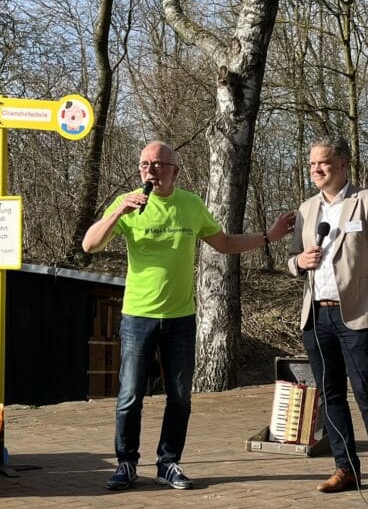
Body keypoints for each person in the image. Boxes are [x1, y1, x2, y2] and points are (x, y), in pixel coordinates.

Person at [82, 141, 295, 490]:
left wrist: (268, 237)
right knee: (130, 395)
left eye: (157, 164)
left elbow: (224, 243)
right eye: (144, 164)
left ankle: (168, 463)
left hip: (180, 318)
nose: (149, 170)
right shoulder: (128, 204)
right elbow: (89, 245)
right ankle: (126, 463)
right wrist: (118, 211)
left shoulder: (191, 205)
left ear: (174, 171)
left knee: (180, 396)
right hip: (138, 316)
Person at [287, 136, 368, 502]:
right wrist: (298, 262)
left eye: (322, 163)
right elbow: (292, 259)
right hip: (316, 316)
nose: (316, 170)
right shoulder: (306, 210)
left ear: (342, 165)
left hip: (357, 315)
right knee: (331, 395)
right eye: (311, 165)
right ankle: (345, 468)